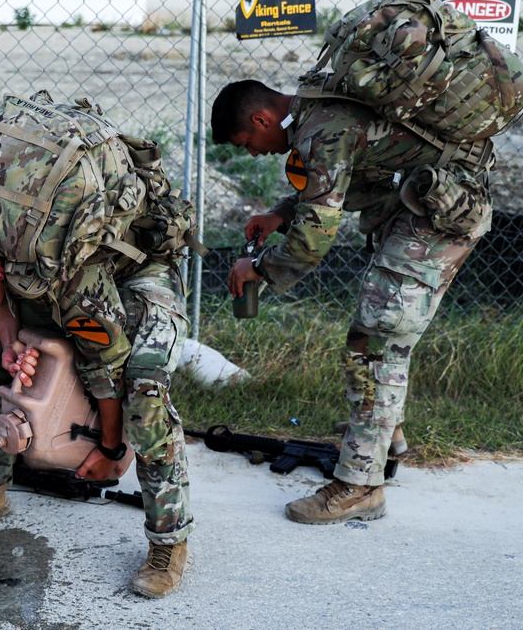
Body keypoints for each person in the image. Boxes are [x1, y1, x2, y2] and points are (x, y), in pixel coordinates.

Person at [211, 79, 492, 524]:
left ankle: (361, 485)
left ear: (261, 119)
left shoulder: (319, 129)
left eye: (248, 142)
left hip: (439, 210)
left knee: (377, 338)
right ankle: (382, 435)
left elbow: (312, 242)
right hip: (417, 205)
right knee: (375, 334)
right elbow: (334, 182)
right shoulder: (314, 109)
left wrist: (259, 269)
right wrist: (281, 213)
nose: (253, 153)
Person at [0, 228, 193, 598]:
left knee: (145, 398)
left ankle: (168, 542)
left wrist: (110, 450)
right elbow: (1, 312)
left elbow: (103, 363)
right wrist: (10, 346)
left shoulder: (67, 275)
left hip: (137, 282)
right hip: (62, 289)